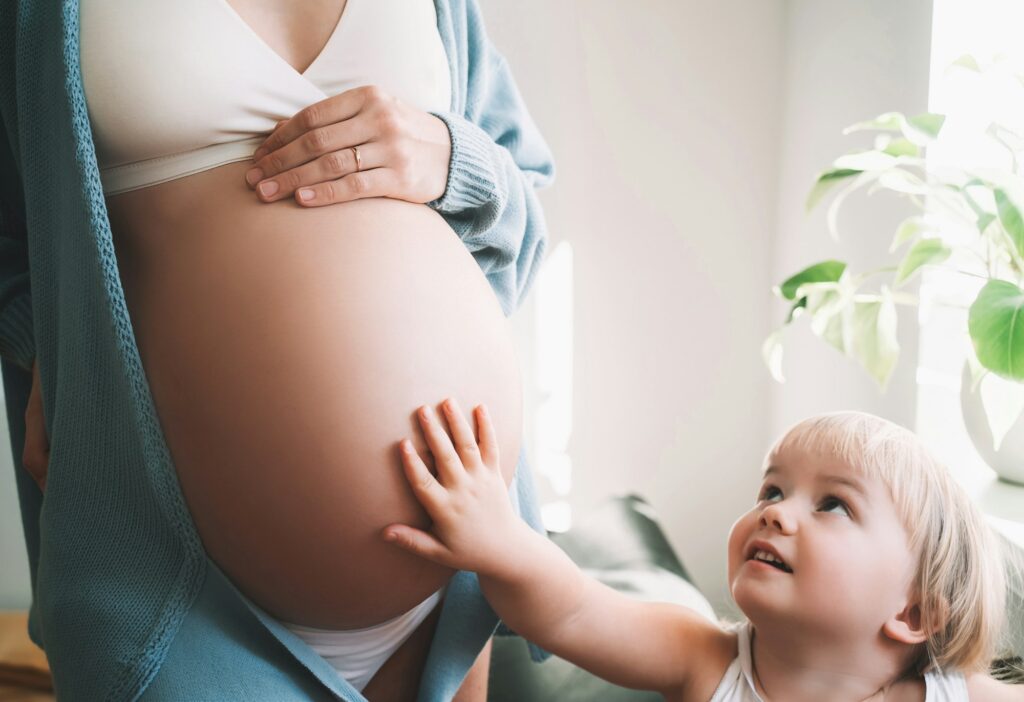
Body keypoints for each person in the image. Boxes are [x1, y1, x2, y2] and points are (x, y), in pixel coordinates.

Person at [0, 0, 554, 699]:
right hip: (172, 586)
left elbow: (525, 194)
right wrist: (45, 334)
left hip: (455, 569)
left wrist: (451, 157)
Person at [386, 404, 1024, 701]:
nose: (775, 510)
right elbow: (572, 611)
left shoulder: (955, 699)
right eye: (773, 488)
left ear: (912, 614)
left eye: (833, 505)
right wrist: (500, 542)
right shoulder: (704, 660)